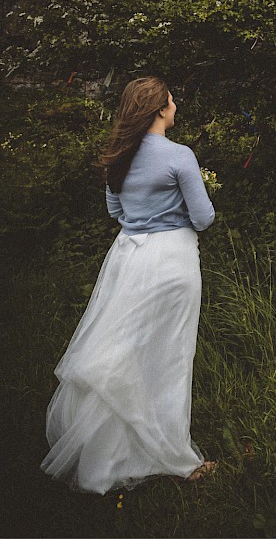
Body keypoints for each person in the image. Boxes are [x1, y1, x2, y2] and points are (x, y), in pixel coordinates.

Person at [41, 77, 217, 494]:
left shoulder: (117, 157)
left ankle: (107, 450)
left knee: (124, 353)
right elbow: (205, 216)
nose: (175, 105)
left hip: (128, 259)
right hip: (172, 260)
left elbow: (114, 209)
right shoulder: (179, 156)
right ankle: (175, 456)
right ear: (160, 109)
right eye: (172, 99)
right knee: (170, 357)